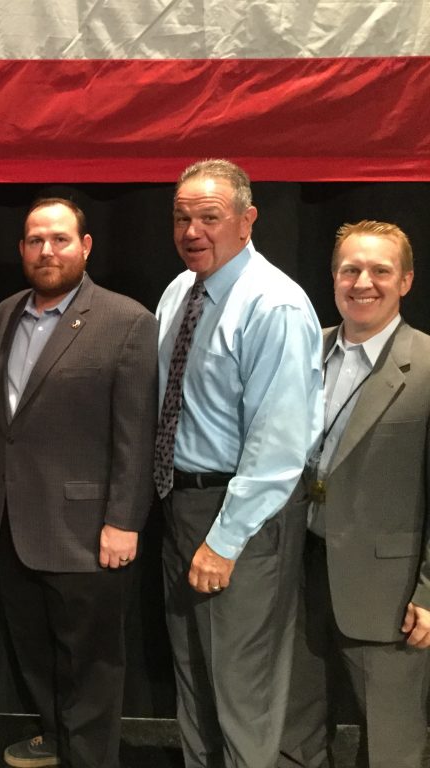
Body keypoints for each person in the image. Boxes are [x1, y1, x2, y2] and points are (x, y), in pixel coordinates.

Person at [155, 159, 323, 768]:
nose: (192, 230)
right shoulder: (179, 292)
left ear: (247, 221)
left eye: (209, 217)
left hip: (243, 520)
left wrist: (223, 542)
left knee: (242, 691)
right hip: (181, 504)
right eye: (181, 218)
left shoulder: (274, 304)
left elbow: (280, 449)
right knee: (194, 678)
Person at [0, 198, 158, 768]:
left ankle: (89, 758)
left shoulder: (127, 321)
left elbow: (137, 432)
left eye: (59, 239)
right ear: (21, 249)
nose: (46, 250)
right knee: (34, 654)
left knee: (92, 665)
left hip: (88, 531)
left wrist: (124, 521)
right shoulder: (6, 312)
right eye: (35, 240)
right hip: (12, 523)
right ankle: (56, 739)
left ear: (85, 246)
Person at [278, 221, 430, 768]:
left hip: (388, 591)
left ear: (406, 281)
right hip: (296, 573)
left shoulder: (429, 366)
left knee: (391, 743)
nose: (363, 282)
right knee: (292, 731)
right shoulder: (302, 351)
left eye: (380, 270)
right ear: (334, 277)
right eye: (350, 269)